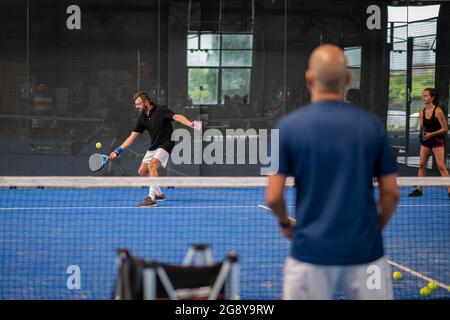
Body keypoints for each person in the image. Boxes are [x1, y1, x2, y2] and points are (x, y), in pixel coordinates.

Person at [265, 44, 400, 300]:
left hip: (309, 256)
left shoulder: (286, 128)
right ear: (348, 79)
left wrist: (285, 223)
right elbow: (391, 194)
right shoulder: (372, 127)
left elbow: (273, 197)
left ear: (309, 78)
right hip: (367, 256)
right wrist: (373, 230)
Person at [109, 91, 201, 207]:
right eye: (135, 104)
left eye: (138, 104)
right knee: (142, 171)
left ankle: (151, 198)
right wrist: (118, 151)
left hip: (167, 142)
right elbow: (132, 137)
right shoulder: (142, 119)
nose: (136, 107)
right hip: (154, 145)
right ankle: (159, 193)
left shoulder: (161, 110)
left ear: (146, 102)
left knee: (152, 165)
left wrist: (190, 124)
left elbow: (176, 116)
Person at [408, 88, 450, 198]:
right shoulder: (421, 111)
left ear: (432, 98)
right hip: (426, 142)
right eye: (423, 95)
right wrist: (422, 134)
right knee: (422, 165)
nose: (423, 97)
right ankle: (419, 189)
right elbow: (422, 127)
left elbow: (445, 128)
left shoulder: (438, 111)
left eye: (426, 95)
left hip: (437, 141)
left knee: (441, 166)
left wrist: (431, 134)